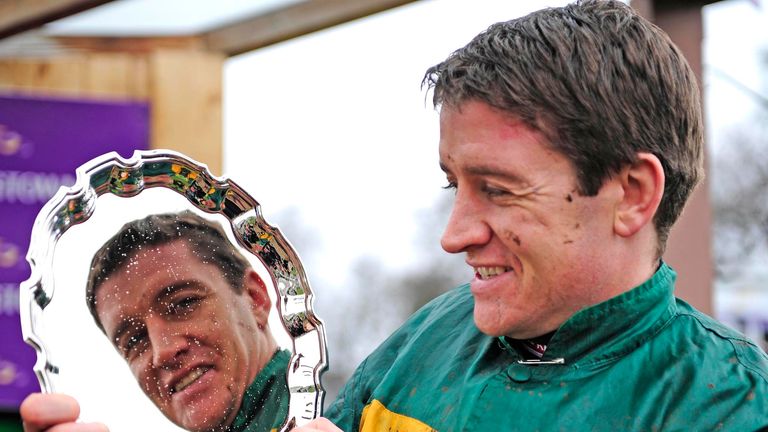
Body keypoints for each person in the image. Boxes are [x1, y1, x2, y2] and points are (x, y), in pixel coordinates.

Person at [20, 1, 768, 431]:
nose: (456, 234)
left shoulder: (722, 401)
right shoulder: (433, 337)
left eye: (499, 190)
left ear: (633, 193)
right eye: (454, 187)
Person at [25, 211, 291, 432]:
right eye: (134, 340)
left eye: (183, 304)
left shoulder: (328, 415)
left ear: (255, 299)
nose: (163, 353)